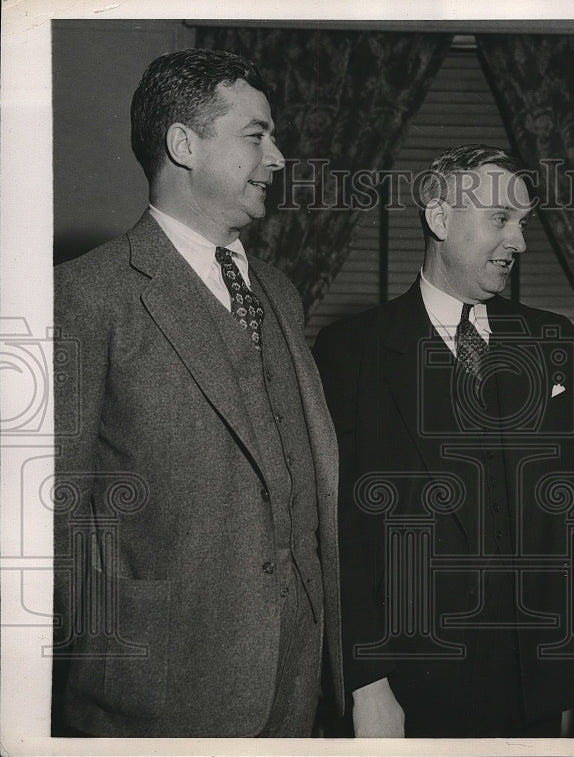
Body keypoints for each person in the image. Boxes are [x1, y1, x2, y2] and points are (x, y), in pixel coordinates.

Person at [52, 48, 344, 737]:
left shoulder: (280, 292)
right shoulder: (87, 294)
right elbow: (51, 513)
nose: (277, 157)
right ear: (183, 144)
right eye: (256, 135)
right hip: (153, 698)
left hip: (295, 685)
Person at [313, 144, 574, 737]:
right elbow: (339, 530)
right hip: (415, 683)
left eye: (523, 223)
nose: (520, 243)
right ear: (439, 219)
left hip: (542, 679)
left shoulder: (552, 337)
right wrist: (366, 682)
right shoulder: (353, 351)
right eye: (500, 220)